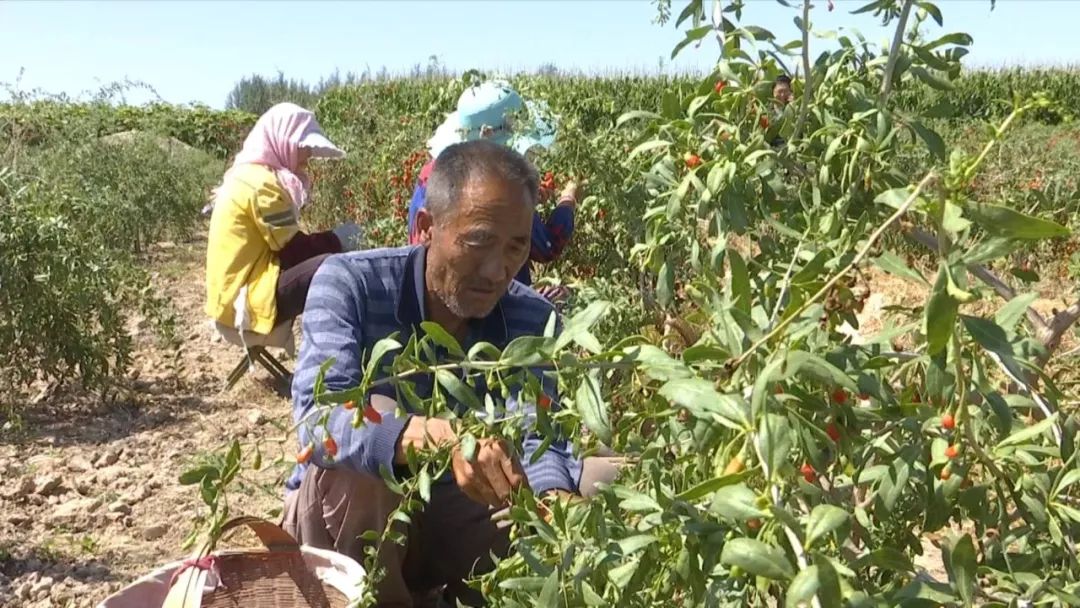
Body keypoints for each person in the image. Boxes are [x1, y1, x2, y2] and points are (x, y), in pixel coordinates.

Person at [283, 140, 619, 606]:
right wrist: (425, 435)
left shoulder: (533, 318)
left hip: (455, 515)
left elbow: (534, 429)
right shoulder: (350, 282)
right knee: (369, 426)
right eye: (478, 240)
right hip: (350, 527)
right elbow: (315, 421)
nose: (497, 269)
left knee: (611, 482)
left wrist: (553, 496)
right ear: (426, 227)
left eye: (516, 247)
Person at [405, 80, 580, 304]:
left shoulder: (431, 176)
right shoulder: (503, 189)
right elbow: (547, 246)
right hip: (491, 312)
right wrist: (568, 198)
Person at [205, 102, 360, 335]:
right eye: (303, 146)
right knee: (334, 269)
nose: (307, 156)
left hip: (227, 297)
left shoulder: (248, 175)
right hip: (245, 300)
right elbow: (293, 252)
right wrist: (338, 240)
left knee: (328, 266)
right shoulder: (262, 186)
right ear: (283, 141)